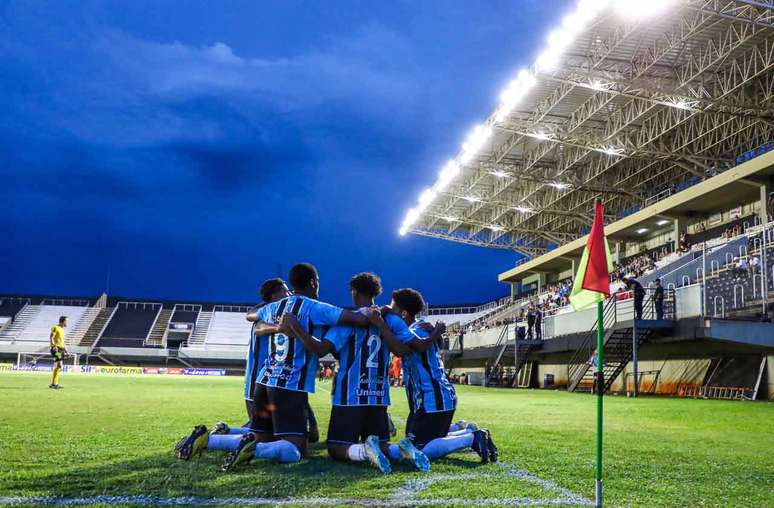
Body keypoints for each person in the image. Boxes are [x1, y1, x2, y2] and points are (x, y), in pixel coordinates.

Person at [222, 262, 371, 470]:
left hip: (263, 383)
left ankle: (211, 440)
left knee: (263, 436)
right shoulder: (315, 307)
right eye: (317, 282)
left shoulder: (274, 307)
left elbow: (252, 316)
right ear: (312, 282)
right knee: (298, 449)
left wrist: (274, 323)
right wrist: (380, 312)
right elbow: (359, 319)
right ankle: (253, 450)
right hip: (289, 386)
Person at [286, 272, 436, 473]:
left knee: (336, 447)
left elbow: (322, 349)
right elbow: (405, 349)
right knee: (382, 444)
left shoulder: (348, 319)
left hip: (350, 397)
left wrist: (297, 328)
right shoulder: (390, 319)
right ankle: (400, 450)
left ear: (354, 292)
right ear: (376, 292)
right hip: (378, 397)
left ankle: (365, 452)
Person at [175, 278, 291, 460]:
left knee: (266, 429)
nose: (289, 294)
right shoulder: (267, 316)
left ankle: (223, 432)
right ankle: (210, 440)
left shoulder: (265, 314)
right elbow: (254, 318)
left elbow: (251, 314)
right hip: (261, 384)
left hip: (262, 382)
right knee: (265, 435)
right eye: (286, 291)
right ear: (275, 295)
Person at [387, 288, 496, 465]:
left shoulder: (417, 331)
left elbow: (404, 349)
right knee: (412, 441)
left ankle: (472, 438)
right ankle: (463, 430)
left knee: (418, 449)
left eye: (393, 309)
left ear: (403, 313)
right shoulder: (420, 328)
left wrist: (381, 324)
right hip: (435, 397)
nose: (390, 314)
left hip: (432, 399)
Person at [48, 316, 68, 389]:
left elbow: (62, 341)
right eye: (66, 321)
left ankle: (54, 384)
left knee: (59, 366)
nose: (67, 323)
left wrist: (66, 350)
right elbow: (51, 337)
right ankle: (54, 384)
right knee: (59, 365)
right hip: (56, 349)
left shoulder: (62, 330)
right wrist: (54, 346)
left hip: (61, 349)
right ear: (63, 321)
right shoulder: (55, 327)